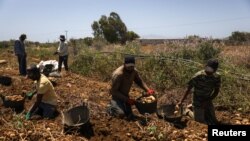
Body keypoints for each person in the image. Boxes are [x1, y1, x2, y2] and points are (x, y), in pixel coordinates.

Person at [178, 59, 221, 125]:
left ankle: (195, 109)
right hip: (197, 99)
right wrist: (181, 101)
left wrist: (208, 100)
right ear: (206, 66)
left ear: (215, 70)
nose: (209, 70)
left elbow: (216, 90)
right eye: (208, 68)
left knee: (214, 121)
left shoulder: (216, 77)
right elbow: (188, 89)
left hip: (207, 99)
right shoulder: (198, 76)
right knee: (200, 121)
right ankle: (187, 111)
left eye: (211, 69)